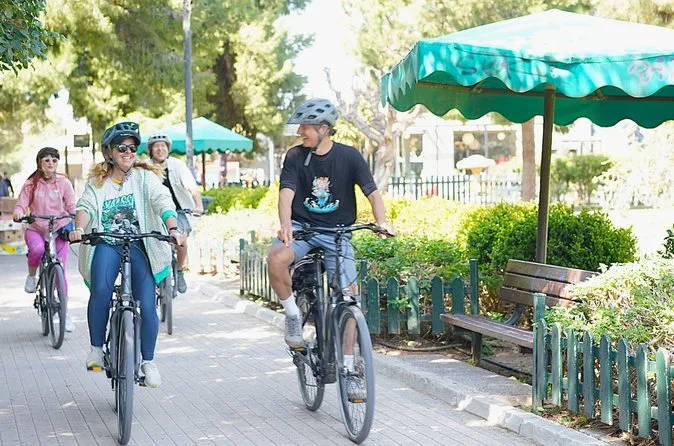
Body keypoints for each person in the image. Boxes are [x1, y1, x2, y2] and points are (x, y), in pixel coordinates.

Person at [266, 98, 395, 348]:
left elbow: (372, 193)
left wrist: (382, 222)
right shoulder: (295, 156)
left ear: (323, 128)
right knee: (275, 259)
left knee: (350, 297)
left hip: (338, 233)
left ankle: (348, 362)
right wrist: (285, 224)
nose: (299, 131)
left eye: (305, 126)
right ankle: (292, 315)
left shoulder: (350, 156)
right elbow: (286, 194)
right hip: (302, 230)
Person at [68, 121, 186, 388]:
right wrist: (79, 228)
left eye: (132, 148)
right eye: (122, 148)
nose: (128, 152)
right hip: (107, 243)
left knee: (147, 303)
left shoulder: (145, 178)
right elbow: (85, 206)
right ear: (109, 152)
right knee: (101, 289)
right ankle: (96, 349)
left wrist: (173, 228)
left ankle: (148, 362)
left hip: (139, 244)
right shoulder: (98, 182)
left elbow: (162, 201)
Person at [12, 147, 76, 332]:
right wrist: (18, 213)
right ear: (39, 163)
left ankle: (64, 313)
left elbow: (72, 205)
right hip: (37, 228)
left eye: (54, 160)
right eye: (46, 160)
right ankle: (32, 276)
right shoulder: (31, 183)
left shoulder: (64, 182)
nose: (51, 163)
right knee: (38, 250)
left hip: (59, 228)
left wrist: (75, 216)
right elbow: (21, 204)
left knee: (61, 270)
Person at [146, 132, 203, 293]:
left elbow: (191, 187)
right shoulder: (145, 167)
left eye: (163, 146)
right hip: (155, 213)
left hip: (179, 211)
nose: (160, 149)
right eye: (156, 146)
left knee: (181, 239)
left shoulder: (178, 165)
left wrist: (198, 205)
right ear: (151, 150)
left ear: (168, 149)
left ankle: (179, 270)